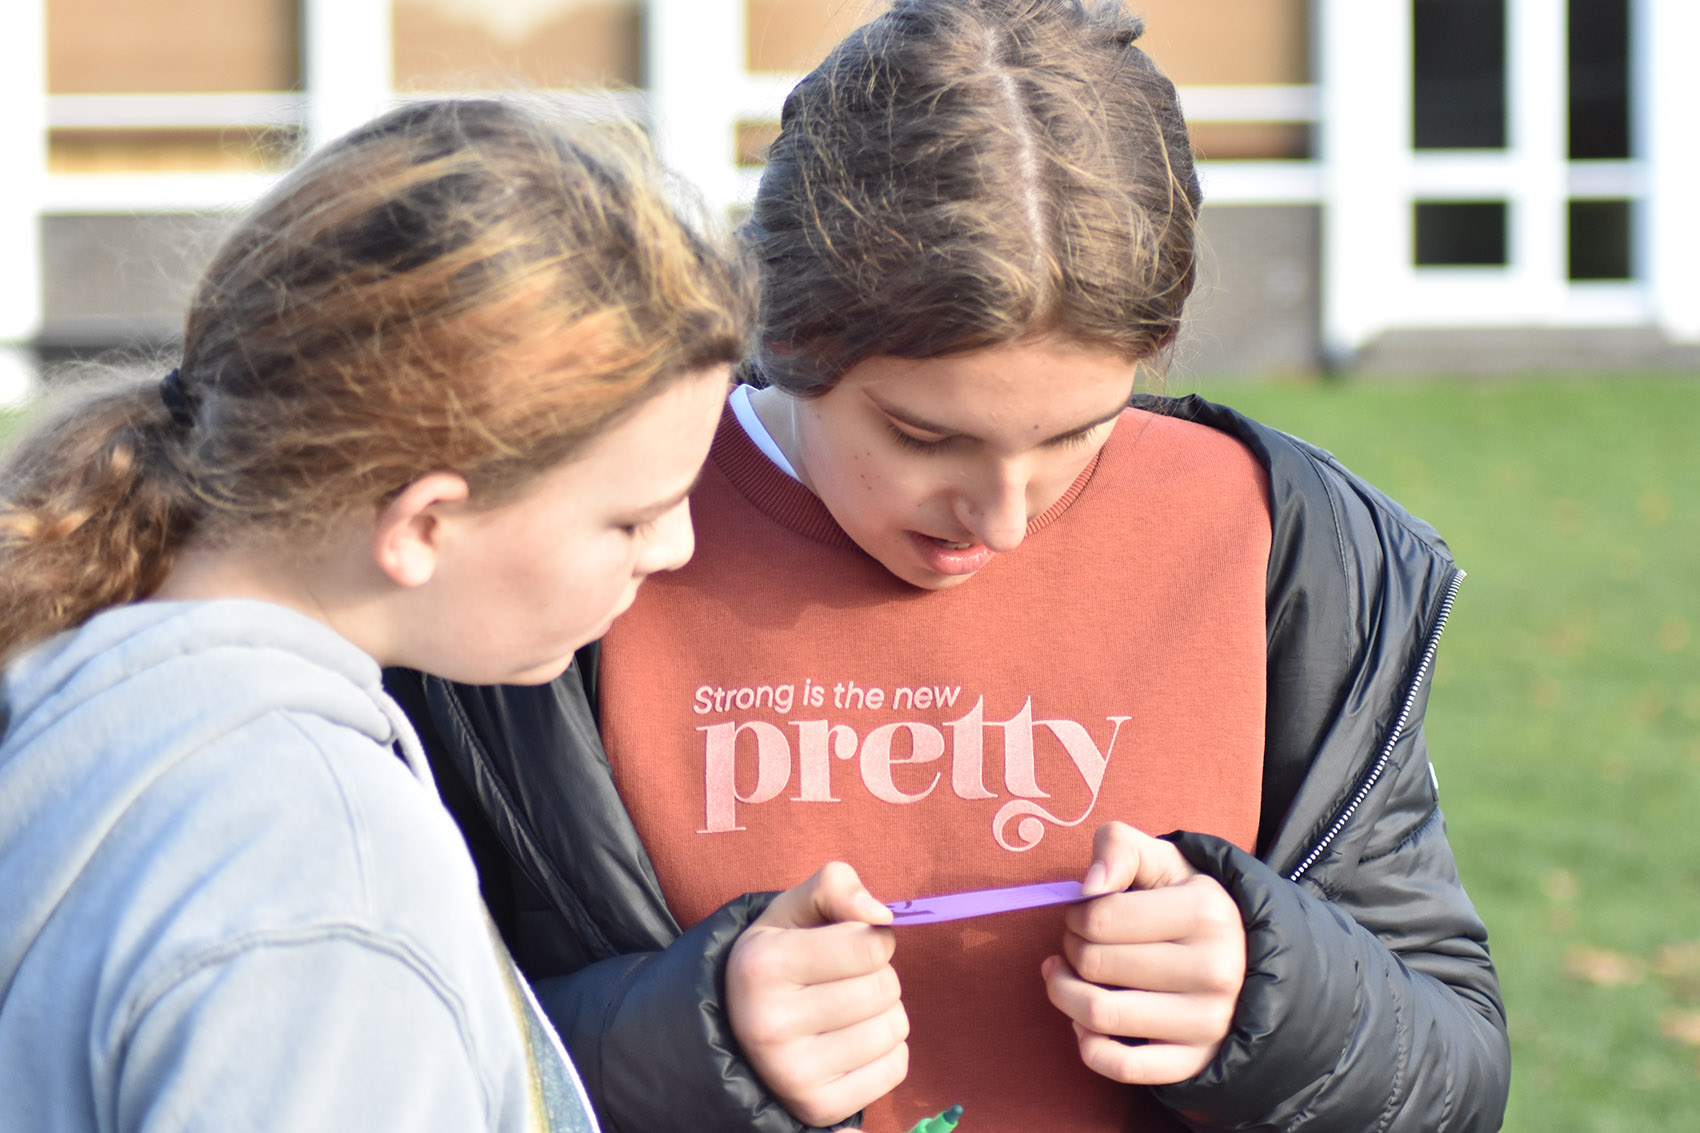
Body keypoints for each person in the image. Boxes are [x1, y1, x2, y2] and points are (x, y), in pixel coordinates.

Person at [387, 3, 1511, 1130]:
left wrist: (1273, 999)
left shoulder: (1285, 545)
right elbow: (385, 1041)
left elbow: (1453, 1066)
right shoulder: (573, 543)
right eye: (925, 437)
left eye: (1077, 433)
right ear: (781, 325)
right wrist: (689, 1042)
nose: (1003, 518)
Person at [0, 97, 748, 1132]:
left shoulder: (80, 696)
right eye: (631, 517)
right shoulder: (325, 883)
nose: (674, 548)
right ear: (423, 523)